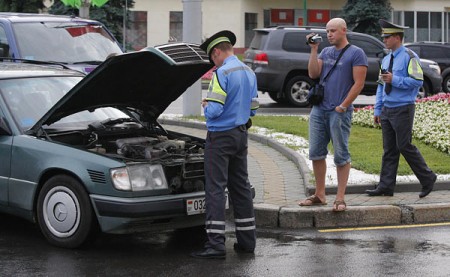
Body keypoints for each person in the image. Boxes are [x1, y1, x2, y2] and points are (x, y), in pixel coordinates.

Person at [191, 30, 259, 259]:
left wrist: (206, 105)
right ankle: (247, 242)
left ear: (218, 52)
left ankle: (215, 245)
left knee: (215, 189)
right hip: (241, 135)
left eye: (212, 58)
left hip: (220, 137)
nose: (212, 62)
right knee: (241, 188)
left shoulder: (221, 73)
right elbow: (254, 107)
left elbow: (216, 109)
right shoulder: (248, 71)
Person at [298, 18, 368, 212]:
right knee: (316, 152)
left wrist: (343, 106)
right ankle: (320, 194)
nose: (329, 34)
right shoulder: (326, 51)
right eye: (327, 31)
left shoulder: (356, 53)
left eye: (333, 31)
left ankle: (340, 197)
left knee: (341, 154)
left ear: (344, 30)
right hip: (319, 109)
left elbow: (359, 83)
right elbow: (313, 74)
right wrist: (313, 49)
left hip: (339, 111)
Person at [365, 20, 437, 198]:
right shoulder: (387, 58)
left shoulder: (410, 56)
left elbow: (418, 81)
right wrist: (378, 109)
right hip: (388, 109)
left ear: (397, 37)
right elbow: (381, 86)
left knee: (404, 145)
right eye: (383, 37)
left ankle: (428, 178)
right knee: (389, 149)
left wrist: (395, 79)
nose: (384, 40)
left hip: (403, 107)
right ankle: (386, 186)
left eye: (387, 37)